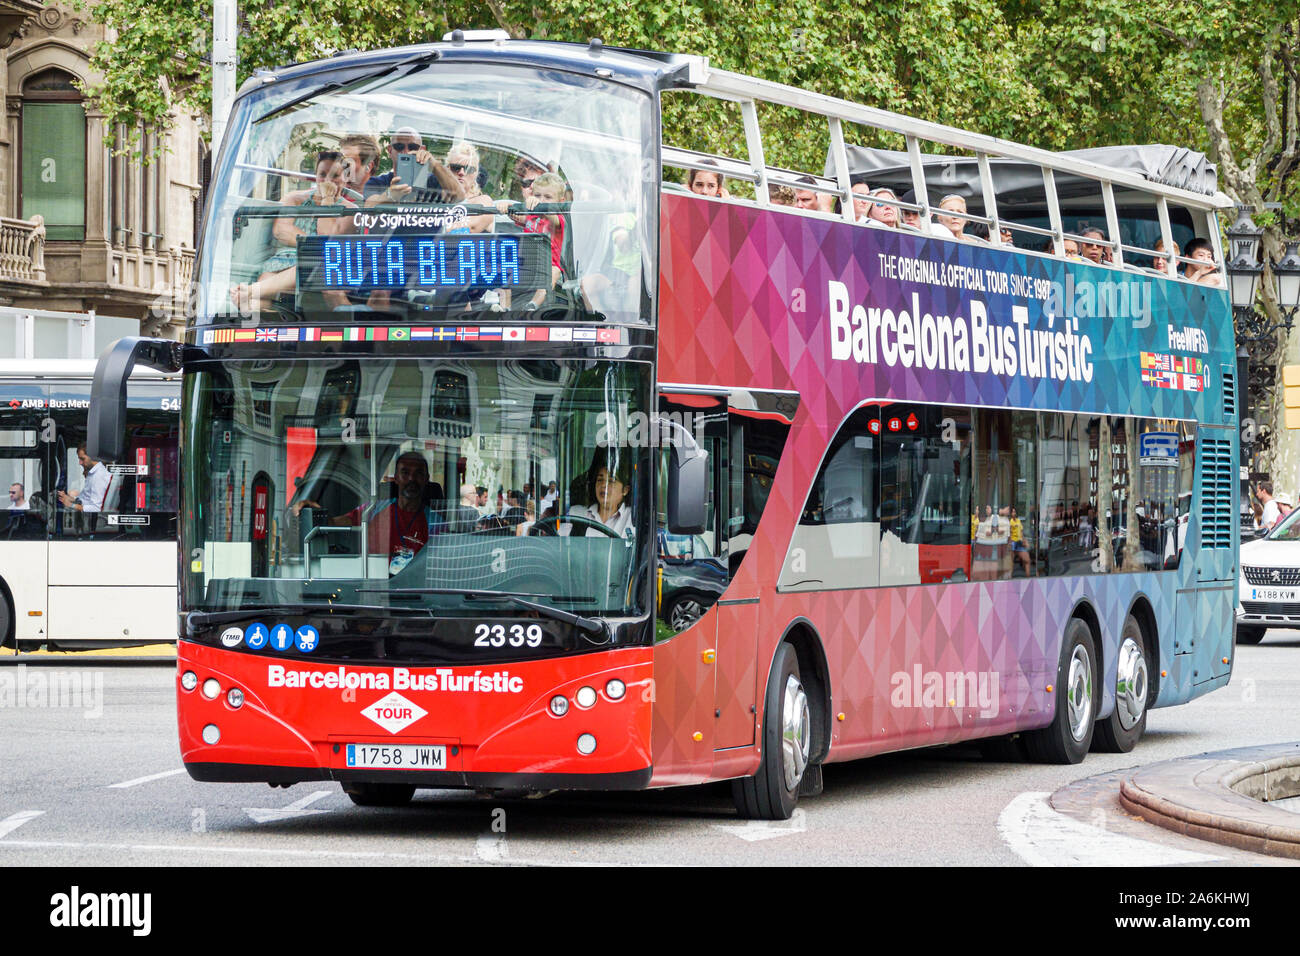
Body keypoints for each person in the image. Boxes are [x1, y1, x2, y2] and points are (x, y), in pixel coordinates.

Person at [230, 150, 357, 312]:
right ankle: (249, 303)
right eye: (322, 174)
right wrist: (312, 244)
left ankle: (250, 290)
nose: (327, 180)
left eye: (335, 176)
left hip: (322, 265)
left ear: (345, 179)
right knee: (260, 295)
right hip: (284, 260)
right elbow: (281, 231)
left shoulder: (351, 210)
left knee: (310, 261)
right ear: (316, 176)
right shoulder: (295, 198)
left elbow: (327, 242)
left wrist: (327, 202)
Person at [293, 451, 435, 572]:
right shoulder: (373, 509)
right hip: (373, 586)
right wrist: (311, 509)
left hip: (416, 591)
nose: (411, 479)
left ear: (426, 479)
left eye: (418, 474)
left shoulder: (436, 521)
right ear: (396, 478)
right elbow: (333, 523)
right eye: (405, 473)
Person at [564, 457, 633, 536]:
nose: (603, 485)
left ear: (625, 490)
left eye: (611, 481)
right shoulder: (576, 514)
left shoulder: (632, 518)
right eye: (600, 480)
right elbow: (559, 544)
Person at [444, 141, 495, 233]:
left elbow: (472, 227)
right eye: (456, 167)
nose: (462, 173)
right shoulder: (435, 199)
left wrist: (436, 230)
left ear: (476, 174)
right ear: (447, 170)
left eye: (469, 169)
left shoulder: (483, 201)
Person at [58, 447, 110, 514]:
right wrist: (71, 499)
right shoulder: (92, 473)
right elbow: (85, 499)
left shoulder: (99, 476)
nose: (80, 463)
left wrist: (72, 505)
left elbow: (96, 508)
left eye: (82, 459)